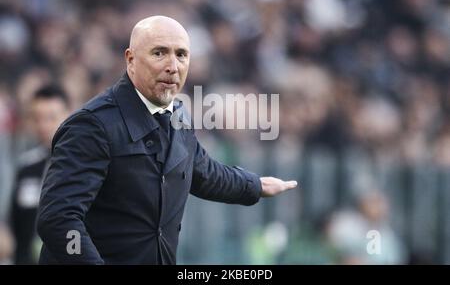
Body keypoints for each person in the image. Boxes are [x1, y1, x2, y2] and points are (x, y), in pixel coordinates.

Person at [36, 15, 297, 265]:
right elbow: (59, 219)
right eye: (159, 53)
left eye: (181, 55)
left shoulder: (178, 116)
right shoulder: (92, 126)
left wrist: (254, 185)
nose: (173, 66)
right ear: (131, 59)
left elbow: (203, 172)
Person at [10, 85, 70, 264]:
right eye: (37, 118)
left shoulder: (84, 165)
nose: (43, 125)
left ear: (69, 114)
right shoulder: (27, 168)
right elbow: (16, 223)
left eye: (51, 118)